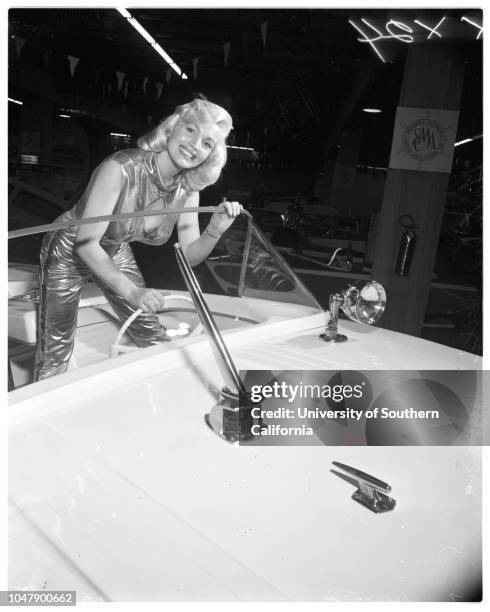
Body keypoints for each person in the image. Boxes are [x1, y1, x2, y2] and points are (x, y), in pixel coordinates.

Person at [34, 98, 241, 381]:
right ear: (172, 127)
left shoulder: (188, 188)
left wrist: (215, 230)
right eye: (191, 130)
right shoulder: (120, 168)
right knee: (56, 351)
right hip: (70, 248)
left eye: (207, 143)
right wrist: (131, 292)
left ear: (211, 154)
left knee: (152, 336)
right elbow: (87, 244)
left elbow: (190, 256)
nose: (194, 145)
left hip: (115, 248)